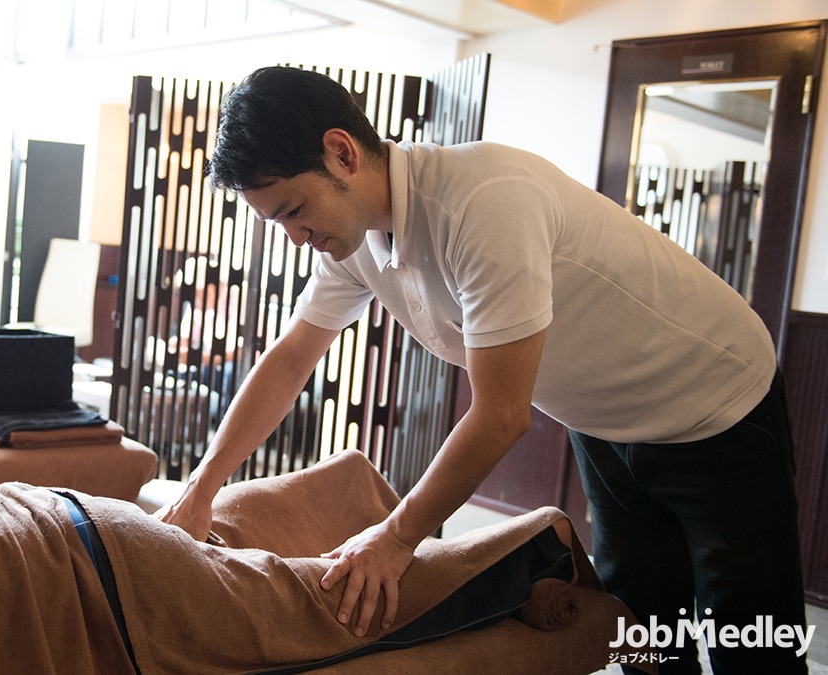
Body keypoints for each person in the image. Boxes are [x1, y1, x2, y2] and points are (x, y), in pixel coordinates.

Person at [159, 65, 808, 674]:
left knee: (749, 634)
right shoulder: (353, 241)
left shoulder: (484, 201)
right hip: (605, 419)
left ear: (343, 153)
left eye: (293, 212)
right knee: (641, 625)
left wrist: (396, 537)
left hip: (716, 403)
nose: (295, 238)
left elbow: (500, 416)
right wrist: (202, 486)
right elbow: (292, 355)